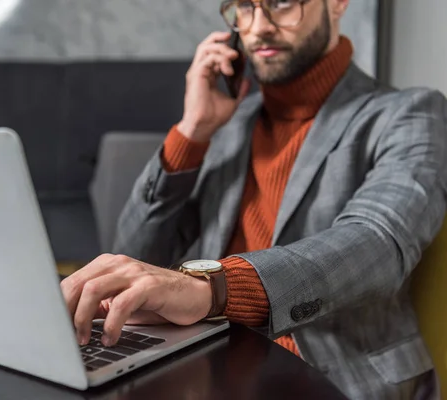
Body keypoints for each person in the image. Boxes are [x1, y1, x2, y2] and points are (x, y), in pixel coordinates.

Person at [61, 0, 447, 398]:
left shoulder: (410, 112)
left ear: (336, 4)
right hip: (211, 361)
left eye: (281, 4)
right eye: (244, 7)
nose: (258, 27)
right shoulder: (230, 124)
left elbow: (379, 240)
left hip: (335, 374)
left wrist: (214, 289)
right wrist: (191, 132)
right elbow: (133, 250)